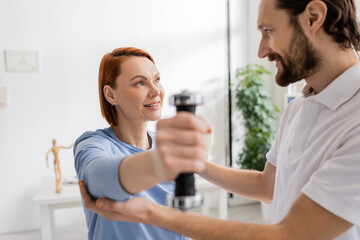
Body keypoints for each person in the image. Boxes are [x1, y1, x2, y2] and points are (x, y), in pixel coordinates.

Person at [79, 0, 360, 239]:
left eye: (268, 31)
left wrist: (153, 211)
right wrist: (193, 162)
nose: (261, 51)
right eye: (139, 82)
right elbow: (269, 186)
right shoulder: (299, 107)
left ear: (313, 17)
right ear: (110, 94)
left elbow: (290, 234)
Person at [73, 47, 211, 240]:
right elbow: (98, 177)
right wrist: (162, 162)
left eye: (157, 80)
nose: (156, 92)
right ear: (111, 95)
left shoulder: (166, 145)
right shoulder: (93, 144)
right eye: (139, 83)